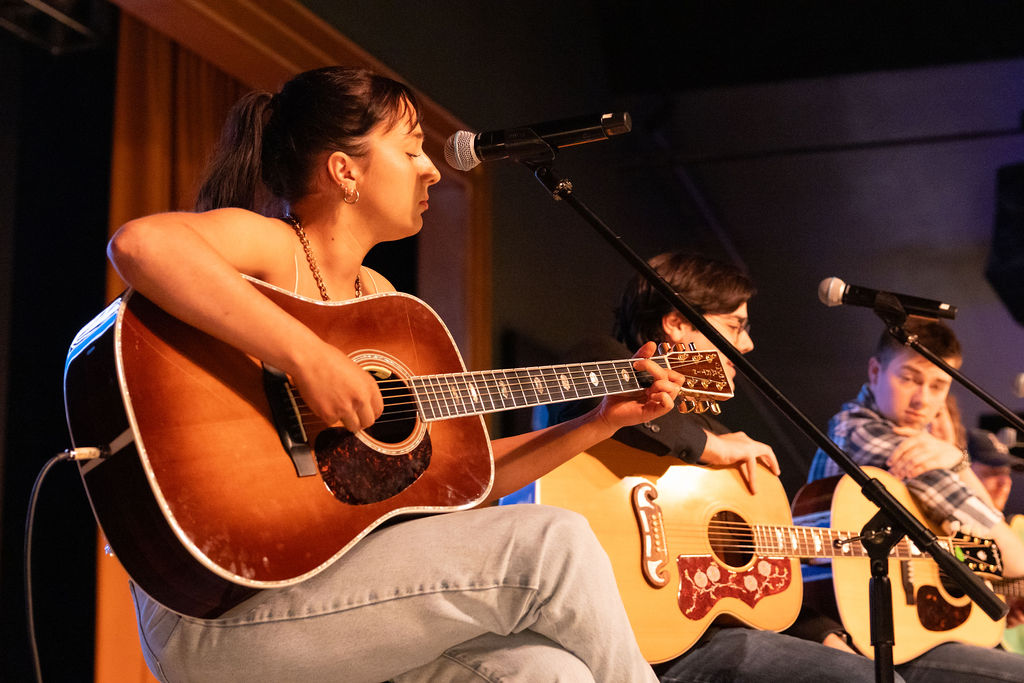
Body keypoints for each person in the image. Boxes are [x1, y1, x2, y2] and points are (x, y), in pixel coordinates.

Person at [107, 66, 688, 683]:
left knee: (548, 673)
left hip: (341, 595)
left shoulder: (380, 302)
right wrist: (310, 359)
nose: (432, 167)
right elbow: (143, 245)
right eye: (411, 148)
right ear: (345, 170)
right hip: (221, 608)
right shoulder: (275, 247)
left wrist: (599, 423)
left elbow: (460, 488)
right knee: (555, 542)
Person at [546, 252, 892, 682]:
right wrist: (711, 447)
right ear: (677, 323)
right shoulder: (598, 361)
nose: (746, 345)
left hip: (707, 635)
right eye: (734, 325)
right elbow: (621, 398)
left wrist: (822, 634)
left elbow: (756, 579)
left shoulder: (724, 439)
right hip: (631, 637)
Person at [807, 318, 1024, 679]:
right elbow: (1014, 558)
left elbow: (973, 552)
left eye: (939, 385)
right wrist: (958, 461)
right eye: (908, 378)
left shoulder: (925, 446)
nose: (923, 399)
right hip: (871, 639)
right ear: (875, 371)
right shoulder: (871, 437)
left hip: (912, 628)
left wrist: (995, 587)